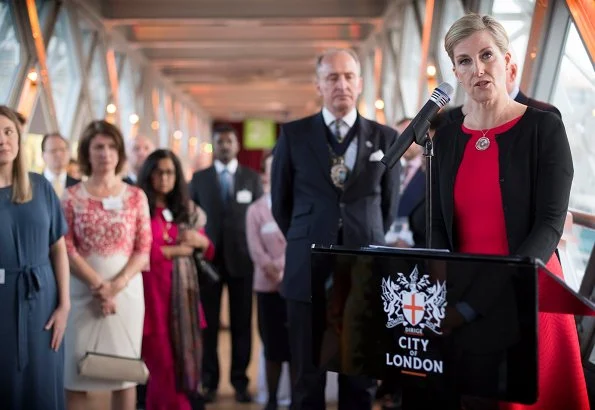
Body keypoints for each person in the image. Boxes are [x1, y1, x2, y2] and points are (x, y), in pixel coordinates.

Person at [431, 13, 587, 409]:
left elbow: (550, 224)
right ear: (455, 72)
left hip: (528, 294)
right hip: (466, 303)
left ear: (508, 62)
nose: (478, 68)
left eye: (487, 55)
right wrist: (442, 294)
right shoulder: (447, 136)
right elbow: (437, 223)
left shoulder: (544, 127)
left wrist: (501, 287)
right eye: (465, 61)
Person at [271, 48, 400, 410]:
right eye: (332, 77)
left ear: (359, 83)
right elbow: (281, 204)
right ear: (318, 84)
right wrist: (309, 235)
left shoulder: (386, 138)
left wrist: (364, 234)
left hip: (363, 270)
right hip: (306, 269)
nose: (341, 84)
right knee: (306, 378)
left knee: (360, 378)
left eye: (348, 76)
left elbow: (387, 208)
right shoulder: (293, 135)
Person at [62, 120, 152, 410]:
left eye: (112, 146)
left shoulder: (136, 196)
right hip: (81, 293)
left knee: (123, 373)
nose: (106, 153)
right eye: (98, 146)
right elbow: (66, 245)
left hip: (126, 295)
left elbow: (143, 248)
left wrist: (115, 286)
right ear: (87, 152)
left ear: (120, 153)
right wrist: (98, 285)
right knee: (75, 372)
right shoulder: (71, 195)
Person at [0, 106, 70, 410]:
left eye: (7, 132)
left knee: (43, 384)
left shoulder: (40, 187)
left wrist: (65, 305)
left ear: (18, 138)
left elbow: (58, 248)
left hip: (43, 300)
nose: (2, 140)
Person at [189, 124, 263, 403]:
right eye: (219, 141)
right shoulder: (199, 179)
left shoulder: (252, 178)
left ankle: (240, 382)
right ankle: (209, 382)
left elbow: (258, 220)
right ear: (213, 145)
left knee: (242, 324)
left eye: (229, 141)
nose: (225, 145)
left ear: (237, 145)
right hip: (207, 264)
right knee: (207, 326)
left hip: (243, 262)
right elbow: (190, 218)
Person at [137, 149, 214, 410]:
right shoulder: (139, 209)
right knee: (163, 370)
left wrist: (199, 241)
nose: (164, 177)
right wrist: (178, 250)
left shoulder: (186, 210)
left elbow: (209, 249)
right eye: (158, 171)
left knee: (182, 368)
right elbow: (141, 253)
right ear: (148, 174)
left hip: (183, 301)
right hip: (152, 302)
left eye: (170, 172)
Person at [246, 153, 291, 410]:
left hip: (293, 285)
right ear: (263, 173)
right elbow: (255, 249)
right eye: (270, 169)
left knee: (295, 347)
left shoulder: (296, 203)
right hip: (267, 287)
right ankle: (272, 400)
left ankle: (296, 398)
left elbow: (299, 240)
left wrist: (285, 269)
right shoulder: (255, 210)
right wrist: (273, 270)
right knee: (272, 346)